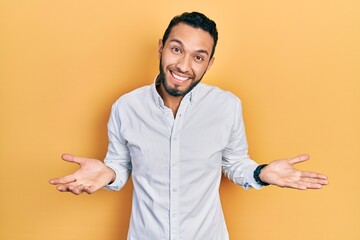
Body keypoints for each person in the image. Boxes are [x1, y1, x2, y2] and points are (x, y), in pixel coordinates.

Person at [49, 12, 328, 240]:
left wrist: (260, 172)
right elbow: (120, 166)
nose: (183, 65)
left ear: (209, 63)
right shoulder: (126, 107)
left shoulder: (226, 106)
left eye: (198, 56)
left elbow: (233, 162)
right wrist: (107, 173)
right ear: (161, 47)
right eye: (176, 49)